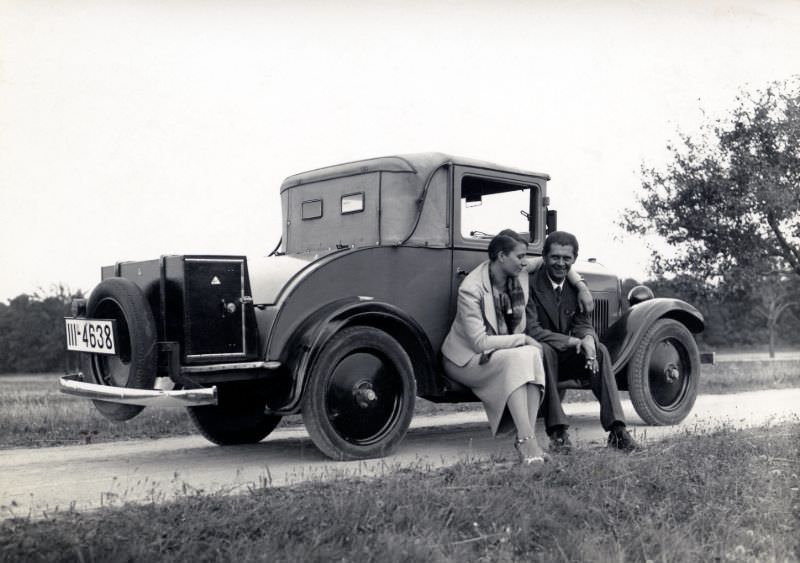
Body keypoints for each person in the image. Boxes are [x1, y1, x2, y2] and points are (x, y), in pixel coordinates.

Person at [441, 230, 588, 464]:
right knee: (524, 352)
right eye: (520, 257)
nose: (524, 261)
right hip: (467, 360)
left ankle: (526, 440)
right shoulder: (471, 289)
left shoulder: (517, 271)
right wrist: (522, 339)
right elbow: (479, 343)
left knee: (531, 354)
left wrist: (580, 286)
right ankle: (527, 440)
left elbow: (553, 260)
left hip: (503, 353)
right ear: (501, 257)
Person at [525, 231, 640, 453]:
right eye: (555, 257)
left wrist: (587, 338)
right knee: (545, 351)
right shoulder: (529, 284)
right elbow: (532, 330)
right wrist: (571, 341)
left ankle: (617, 430)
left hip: (565, 356)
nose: (560, 263)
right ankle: (558, 433)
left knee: (601, 350)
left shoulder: (575, 288)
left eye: (566, 258)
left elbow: (583, 323)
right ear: (545, 256)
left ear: (574, 259)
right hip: (536, 354)